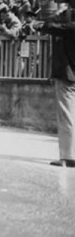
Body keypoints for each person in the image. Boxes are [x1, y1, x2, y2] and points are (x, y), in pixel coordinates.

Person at [34, 12, 75, 167]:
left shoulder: (69, 27)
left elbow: (49, 24)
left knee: (66, 115)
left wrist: (61, 11)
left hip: (68, 75)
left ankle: (69, 156)